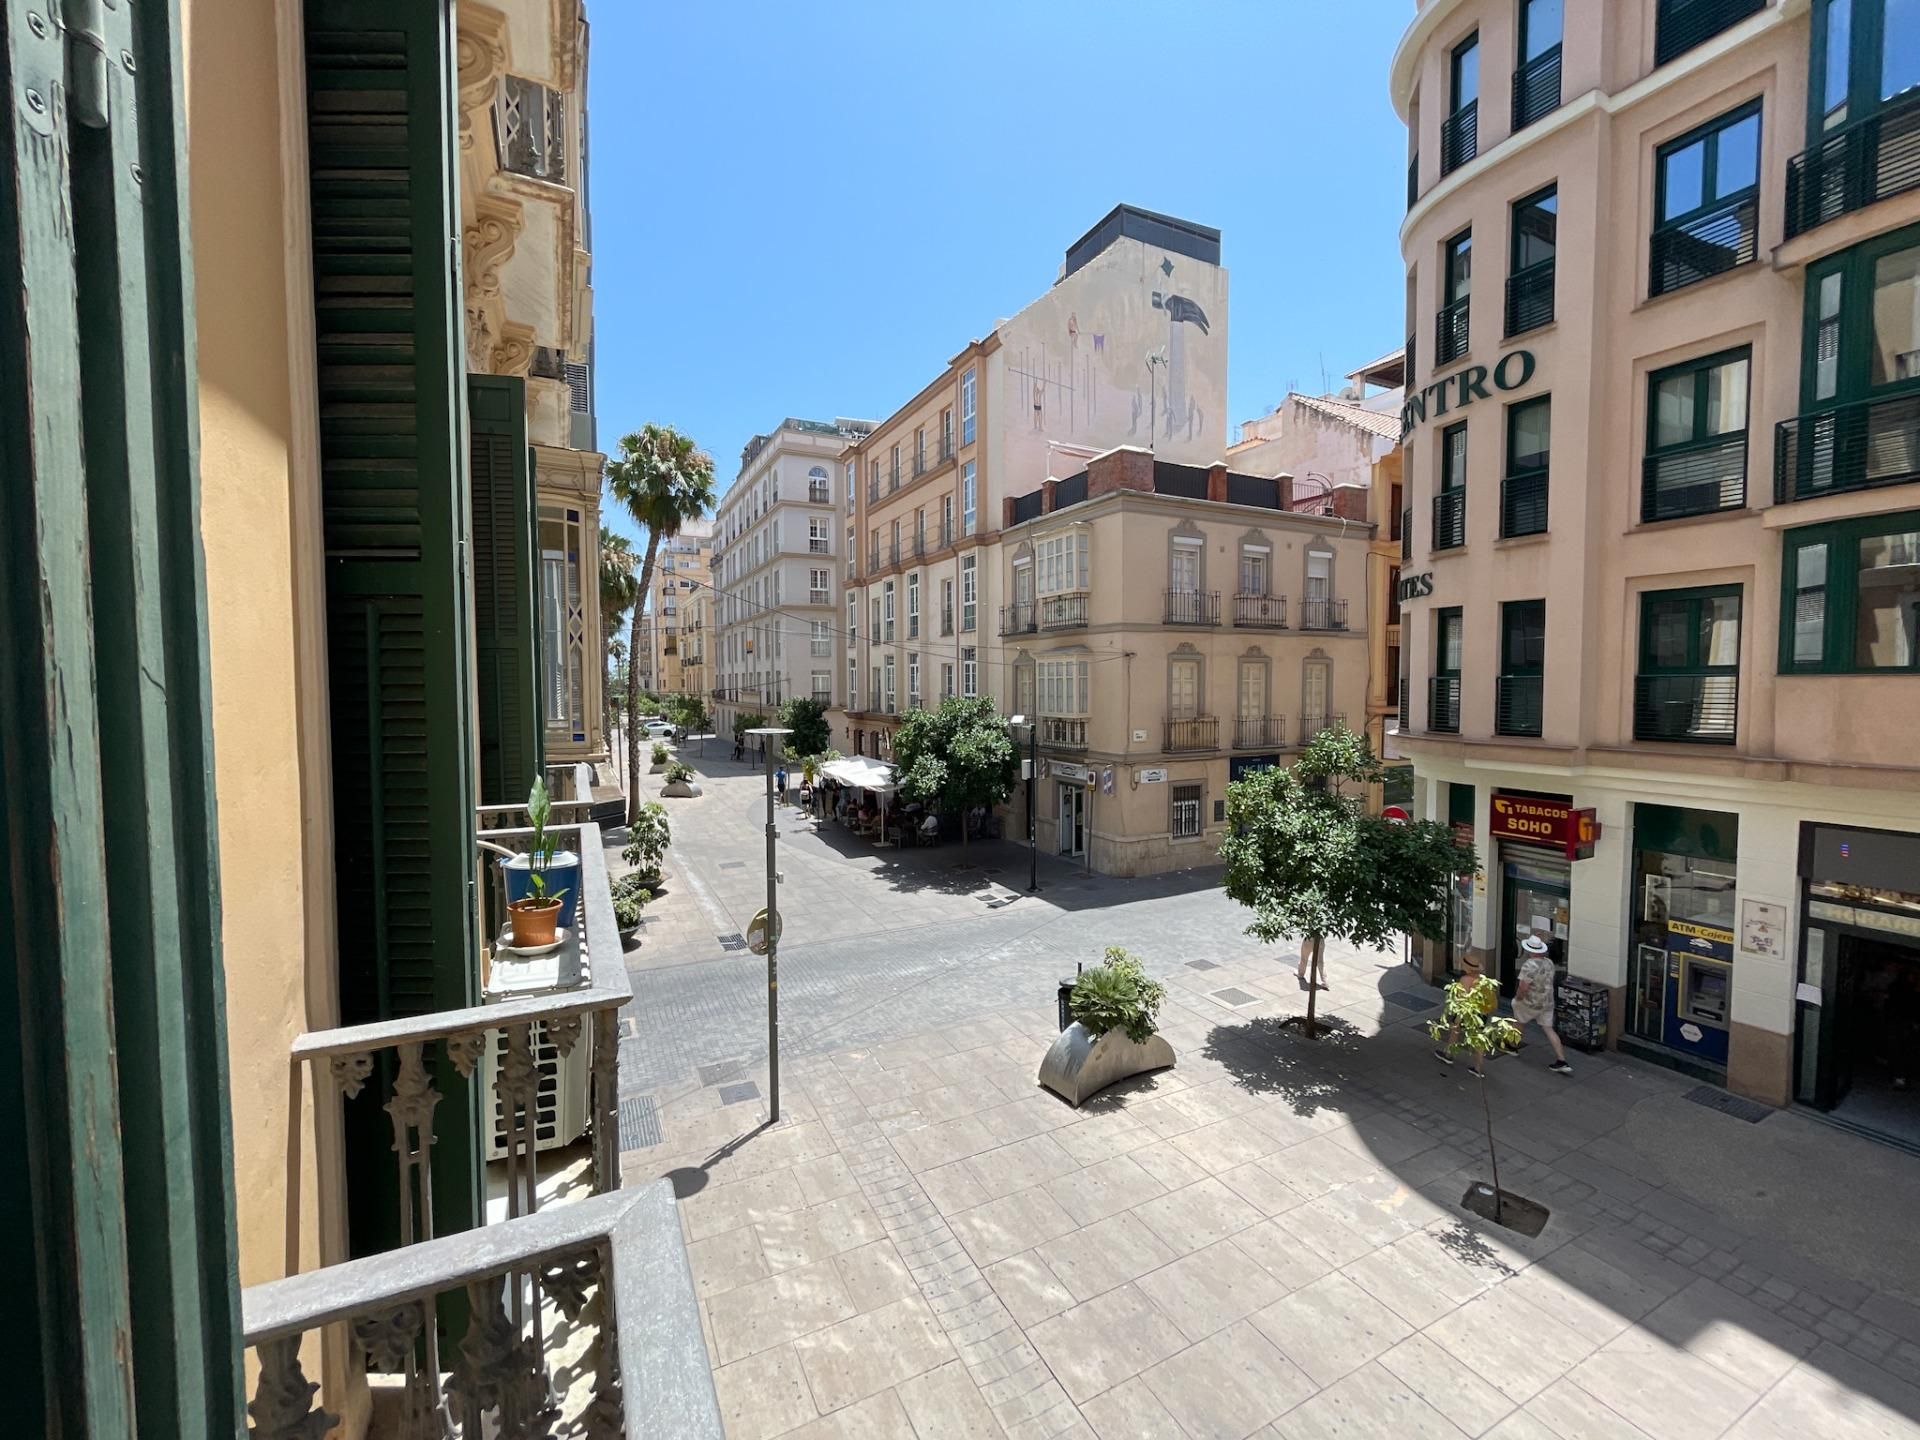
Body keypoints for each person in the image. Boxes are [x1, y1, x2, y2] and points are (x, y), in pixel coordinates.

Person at [1512, 934, 1573, 1075]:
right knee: (1549, 1029)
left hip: (1530, 1002)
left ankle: (1512, 1046)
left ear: (1530, 950)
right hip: (1547, 1002)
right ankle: (1561, 1060)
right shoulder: (1549, 963)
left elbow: (1523, 987)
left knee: (1519, 1022)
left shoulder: (1528, 965)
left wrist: (1518, 998)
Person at [1434, 955, 1499, 1076]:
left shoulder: (1465, 979)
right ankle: (1478, 1068)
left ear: (1467, 968)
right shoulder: (1484, 980)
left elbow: (1461, 1000)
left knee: (1455, 1029)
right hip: (1482, 1013)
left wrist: (1457, 1016)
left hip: (1468, 1011)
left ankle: (1449, 1055)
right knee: (1479, 1038)